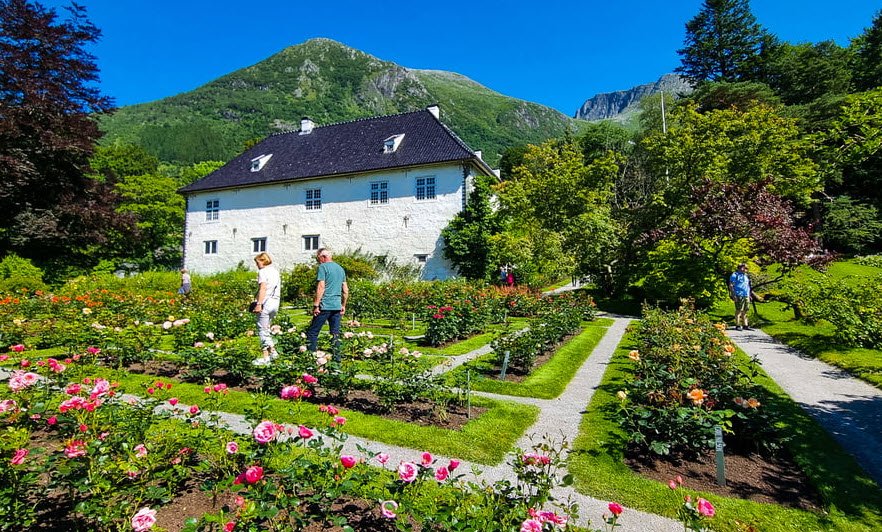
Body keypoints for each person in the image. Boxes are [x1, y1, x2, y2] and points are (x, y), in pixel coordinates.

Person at [306, 248, 349, 358]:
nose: (318, 261)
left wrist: (316, 305)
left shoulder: (323, 267)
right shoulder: (340, 269)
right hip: (336, 306)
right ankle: (337, 359)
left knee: (313, 332)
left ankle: (310, 357)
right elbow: (345, 289)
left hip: (325, 305)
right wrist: (343, 305)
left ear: (323, 257)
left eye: (318, 258)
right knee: (335, 333)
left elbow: (321, 287)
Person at [251, 252, 281, 366]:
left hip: (266, 302)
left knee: (262, 330)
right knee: (266, 329)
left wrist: (259, 303)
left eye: (257, 262)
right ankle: (269, 354)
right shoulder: (275, 271)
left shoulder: (262, 272)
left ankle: (269, 355)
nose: (257, 265)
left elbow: (263, 288)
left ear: (262, 261)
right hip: (275, 302)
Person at [728, 263, 752, 331]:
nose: (745, 269)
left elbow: (747, 286)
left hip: (746, 295)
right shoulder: (735, 275)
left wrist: (749, 295)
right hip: (738, 294)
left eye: (746, 268)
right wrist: (733, 295)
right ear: (739, 268)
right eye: (744, 268)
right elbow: (731, 286)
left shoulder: (746, 276)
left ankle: (745, 325)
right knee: (739, 310)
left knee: (745, 310)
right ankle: (738, 325)